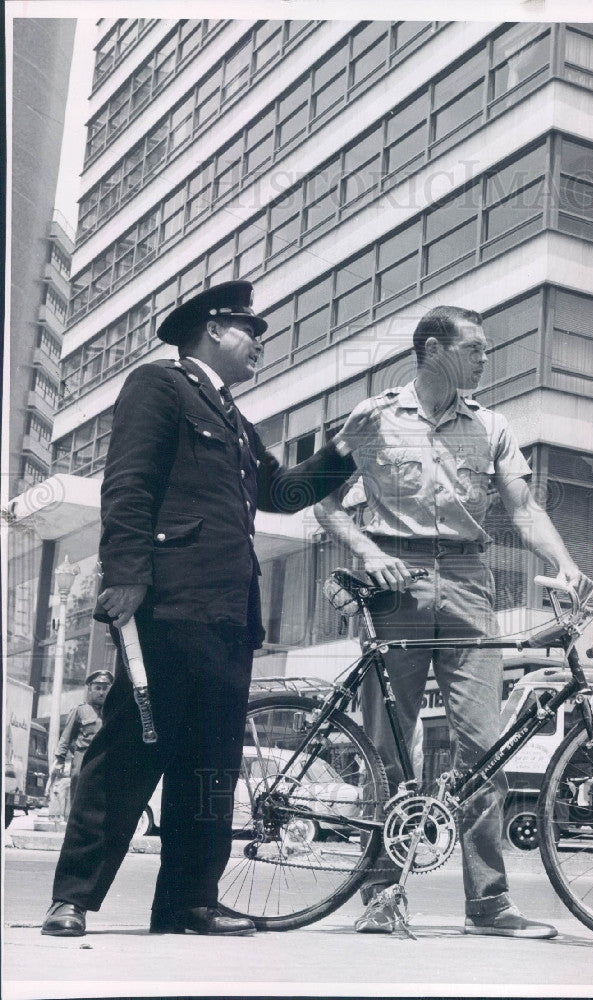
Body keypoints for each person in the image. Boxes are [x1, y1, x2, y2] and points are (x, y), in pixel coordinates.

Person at [42, 280, 359, 938]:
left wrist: (343, 452)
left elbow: (281, 490)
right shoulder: (159, 386)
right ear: (213, 328)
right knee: (131, 749)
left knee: (210, 764)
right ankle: (72, 897)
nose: (261, 344)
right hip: (169, 604)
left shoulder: (233, 419)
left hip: (226, 614)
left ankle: (189, 902)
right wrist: (126, 574)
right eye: (253, 331)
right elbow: (128, 482)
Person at [314, 305, 593, 938]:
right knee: (387, 746)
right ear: (435, 350)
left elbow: (522, 508)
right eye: (476, 348)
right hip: (394, 585)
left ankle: (488, 905)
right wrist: (370, 554)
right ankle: (382, 895)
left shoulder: (490, 425)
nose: (486, 359)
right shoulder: (373, 418)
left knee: (484, 747)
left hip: (470, 582)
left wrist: (566, 562)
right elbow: (324, 504)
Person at [50, 671, 113, 808]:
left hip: (104, 756)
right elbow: (66, 736)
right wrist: (59, 760)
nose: (102, 692)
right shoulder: (80, 710)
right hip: (82, 756)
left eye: (105, 688)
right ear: (90, 689)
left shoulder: (112, 712)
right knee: (78, 783)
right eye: (97, 688)